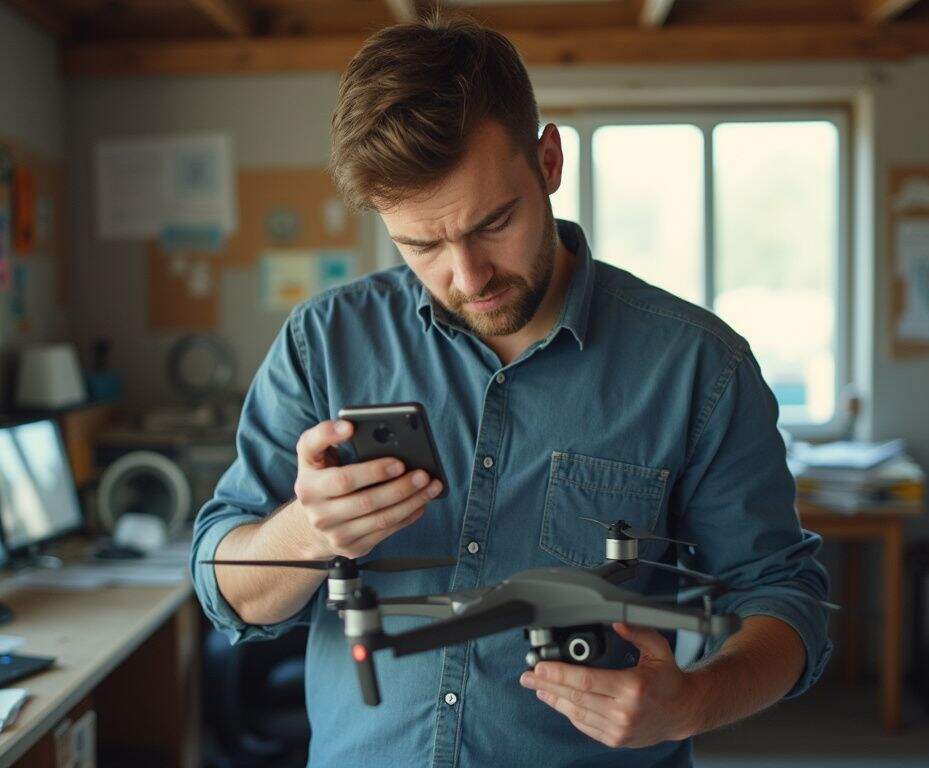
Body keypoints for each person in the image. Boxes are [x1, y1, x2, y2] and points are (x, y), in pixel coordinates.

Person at [192, 15, 831, 767]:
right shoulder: (323, 342)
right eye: (421, 245)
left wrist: (691, 702)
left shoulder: (697, 366)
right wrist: (308, 530)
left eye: (493, 223)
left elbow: (785, 601)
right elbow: (222, 589)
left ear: (549, 161)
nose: (469, 277)